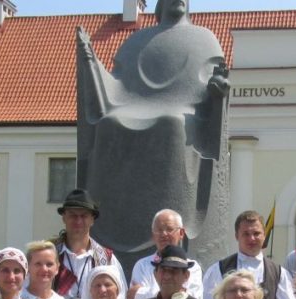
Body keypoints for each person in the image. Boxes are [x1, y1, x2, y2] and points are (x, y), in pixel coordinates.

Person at [75, 0, 230, 255]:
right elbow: (117, 85)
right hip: (130, 103)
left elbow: (213, 80)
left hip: (186, 108)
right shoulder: (138, 40)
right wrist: (89, 59)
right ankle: (109, 226)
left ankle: (175, 224)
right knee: (108, 123)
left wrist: (218, 87)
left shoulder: (204, 38)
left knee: (170, 122)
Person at [203, 210, 295, 299]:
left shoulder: (279, 273)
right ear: (237, 236)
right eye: (246, 234)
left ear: (264, 235)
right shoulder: (219, 269)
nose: (252, 239)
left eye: (256, 233)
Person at [53, 188, 124, 299]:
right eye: (72, 215)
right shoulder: (50, 255)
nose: (78, 220)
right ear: (64, 217)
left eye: (84, 216)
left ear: (92, 220)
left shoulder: (107, 259)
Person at [128, 209, 203, 299]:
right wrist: (177, 292)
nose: (163, 234)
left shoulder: (193, 268)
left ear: (181, 233)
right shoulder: (142, 265)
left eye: (169, 229)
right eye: (159, 230)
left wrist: (140, 293)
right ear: (153, 236)